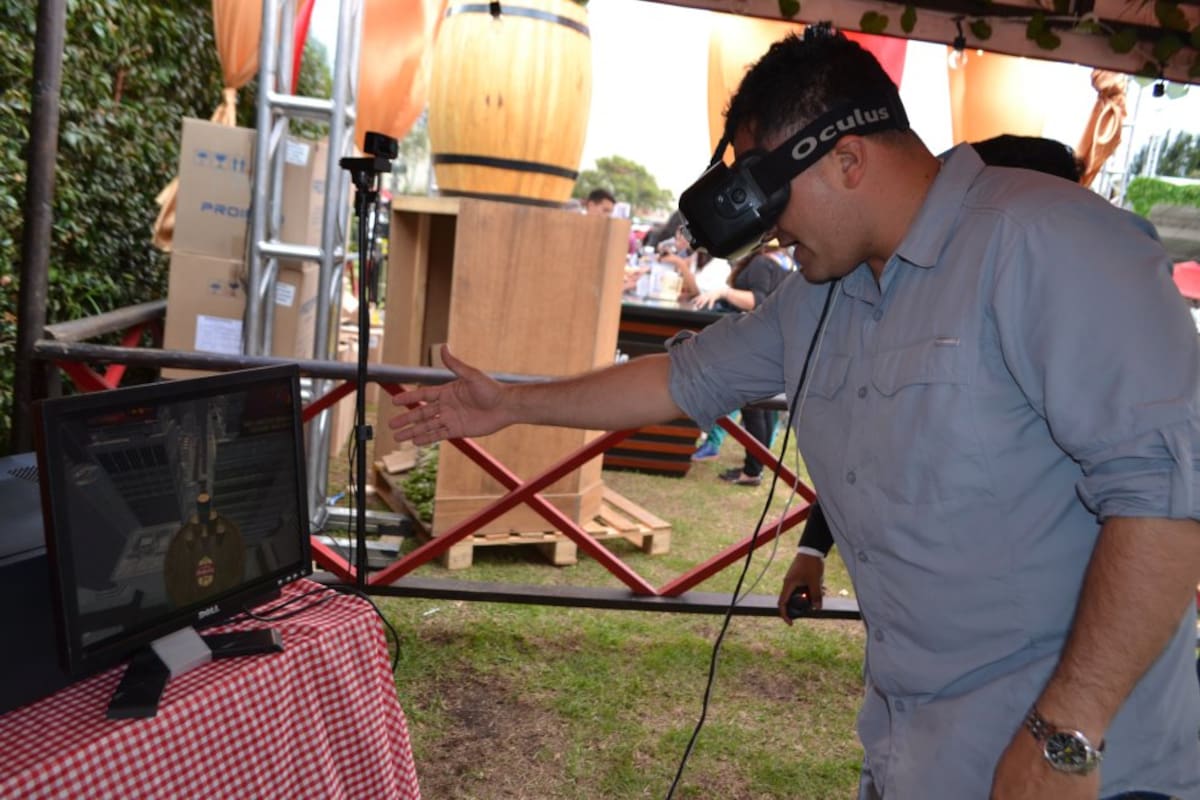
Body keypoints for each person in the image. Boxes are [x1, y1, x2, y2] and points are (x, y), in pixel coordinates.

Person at [390, 31, 1200, 800]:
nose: (769, 227)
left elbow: (1168, 502)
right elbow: (680, 381)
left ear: (848, 159)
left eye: (771, 194)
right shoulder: (819, 295)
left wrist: (1068, 732)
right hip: (914, 755)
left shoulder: (1048, 241)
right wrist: (510, 404)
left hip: (1080, 770)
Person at [790, 132, 1092, 609]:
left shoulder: (1084, 314)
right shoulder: (908, 298)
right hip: (933, 617)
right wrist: (812, 547)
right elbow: (871, 446)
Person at [690, 243, 795, 485]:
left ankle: (752, 470)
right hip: (772, 342)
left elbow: (758, 299)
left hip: (758, 343)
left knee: (754, 408)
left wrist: (724, 292)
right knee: (761, 410)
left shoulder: (761, 262)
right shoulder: (782, 261)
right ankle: (754, 468)